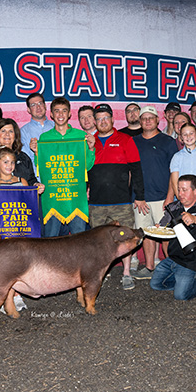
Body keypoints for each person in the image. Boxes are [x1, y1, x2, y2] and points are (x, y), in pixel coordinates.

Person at [0, 147, 45, 310]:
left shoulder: (22, 181)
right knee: (4, 266)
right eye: (5, 162)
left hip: (20, 230)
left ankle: (17, 295)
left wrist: (37, 191)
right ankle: (5, 296)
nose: (9, 165)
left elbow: (29, 206)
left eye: (12, 162)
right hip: (2, 231)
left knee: (19, 263)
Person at [90, 103, 146, 290]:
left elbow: (136, 169)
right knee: (99, 242)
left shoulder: (125, 139)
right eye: (99, 119)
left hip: (121, 201)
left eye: (106, 118)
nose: (103, 121)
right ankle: (100, 274)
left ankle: (127, 273)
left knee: (126, 238)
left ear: (113, 119)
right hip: (96, 203)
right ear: (95, 122)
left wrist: (139, 196)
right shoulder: (89, 142)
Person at [150, 174, 196, 300]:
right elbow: (163, 227)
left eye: (184, 190)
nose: (180, 193)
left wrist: (195, 219)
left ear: (195, 191)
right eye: (178, 190)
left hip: (193, 261)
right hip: (173, 259)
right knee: (156, 285)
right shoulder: (173, 208)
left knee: (181, 295)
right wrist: (158, 228)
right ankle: (186, 282)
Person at [35, 97, 96, 237]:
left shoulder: (81, 136)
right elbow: (42, 168)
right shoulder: (44, 138)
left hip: (76, 198)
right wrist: (37, 153)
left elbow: (87, 166)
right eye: (57, 111)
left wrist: (91, 148)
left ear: (69, 114)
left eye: (64, 111)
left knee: (79, 240)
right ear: (51, 114)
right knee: (51, 242)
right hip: (52, 199)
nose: (60, 114)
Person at [131, 106, 177, 280]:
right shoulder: (134, 141)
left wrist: (170, 196)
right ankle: (150, 266)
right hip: (140, 199)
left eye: (151, 118)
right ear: (140, 121)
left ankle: (172, 268)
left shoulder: (168, 141)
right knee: (146, 233)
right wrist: (135, 196)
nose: (148, 121)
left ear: (158, 120)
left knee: (165, 234)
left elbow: (175, 172)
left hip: (162, 198)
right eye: (144, 118)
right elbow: (130, 171)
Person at [168, 123, 196, 203]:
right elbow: (174, 182)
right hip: (182, 195)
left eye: (191, 133)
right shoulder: (177, 157)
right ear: (181, 137)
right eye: (185, 134)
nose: (188, 137)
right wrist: (180, 198)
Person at [21, 93, 55, 175]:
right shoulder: (23, 132)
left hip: (57, 177)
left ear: (45, 106)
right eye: (33, 105)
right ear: (28, 110)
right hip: (37, 179)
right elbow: (25, 160)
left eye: (40, 103)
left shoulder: (56, 126)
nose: (38, 107)